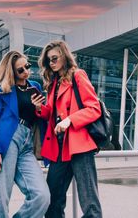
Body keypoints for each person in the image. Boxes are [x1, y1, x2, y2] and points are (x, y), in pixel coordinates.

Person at [33, 40, 103, 218]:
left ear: (64, 56)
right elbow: (51, 113)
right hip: (59, 149)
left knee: (89, 203)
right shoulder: (52, 83)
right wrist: (39, 108)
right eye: (49, 60)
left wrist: (70, 120)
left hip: (80, 146)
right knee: (52, 200)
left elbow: (94, 108)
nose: (52, 63)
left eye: (55, 58)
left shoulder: (78, 75)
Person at [0, 51, 50, 218]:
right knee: (1, 195)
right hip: (7, 141)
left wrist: (39, 108)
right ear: (12, 71)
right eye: (20, 69)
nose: (26, 71)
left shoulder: (35, 87)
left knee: (42, 196)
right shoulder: (2, 90)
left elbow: (44, 116)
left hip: (27, 143)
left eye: (27, 66)